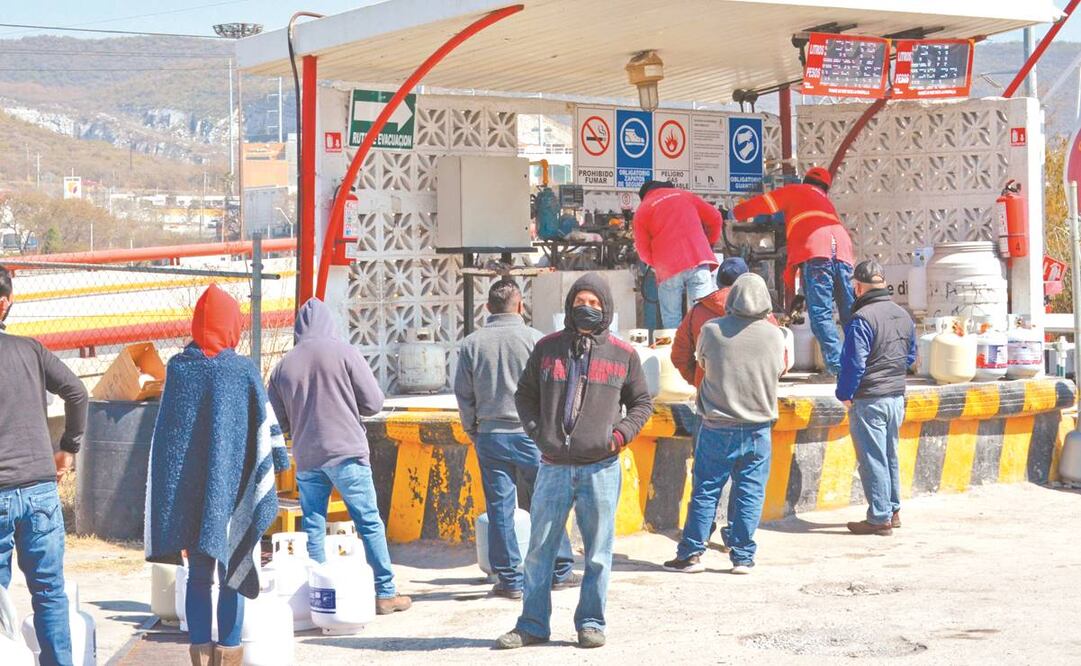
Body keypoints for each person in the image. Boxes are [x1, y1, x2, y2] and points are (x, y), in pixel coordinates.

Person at [496, 273, 653, 651]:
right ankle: (532, 624)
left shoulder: (623, 354)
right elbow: (524, 396)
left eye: (595, 303)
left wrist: (617, 437)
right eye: (581, 301)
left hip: (601, 467)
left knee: (598, 553)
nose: (588, 308)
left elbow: (642, 404)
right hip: (552, 466)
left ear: (607, 309)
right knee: (539, 551)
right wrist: (540, 434)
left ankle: (591, 623)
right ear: (569, 306)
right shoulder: (547, 348)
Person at [145, 284, 289, 666]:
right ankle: (228, 653)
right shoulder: (241, 371)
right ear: (232, 325)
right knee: (233, 570)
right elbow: (264, 427)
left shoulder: (178, 369)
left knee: (198, 575)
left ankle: (199, 654)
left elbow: (166, 442)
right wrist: (279, 461)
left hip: (189, 495)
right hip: (233, 489)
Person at [267, 298, 411, 614]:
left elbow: (280, 422)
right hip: (347, 451)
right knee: (368, 522)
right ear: (330, 323)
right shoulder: (345, 353)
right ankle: (385, 592)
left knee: (314, 525)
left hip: (307, 457)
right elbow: (374, 402)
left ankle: (320, 596)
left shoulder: (282, 367)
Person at [454, 279, 577, 599]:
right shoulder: (536, 340)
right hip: (531, 435)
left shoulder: (471, 344)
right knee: (548, 501)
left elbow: (463, 396)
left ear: (487, 308)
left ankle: (510, 580)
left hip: (491, 436)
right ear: (520, 306)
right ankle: (560, 570)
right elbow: (555, 390)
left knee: (500, 507)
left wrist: (474, 432)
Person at [663, 273, 784, 575]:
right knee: (749, 491)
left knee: (706, 489)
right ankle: (742, 556)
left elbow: (701, 364)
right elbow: (780, 369)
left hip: (717, 424)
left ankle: (691, 553)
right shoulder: (774, 335)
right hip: (759, 427)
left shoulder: (712, 330)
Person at [0, 265, 88, 666]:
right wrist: (68, 447)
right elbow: (77, 391)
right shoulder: (31, 350)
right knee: (49, 592)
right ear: (6, 304)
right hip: (39, 488)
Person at [733, 167, 855, 376]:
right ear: (825, 188)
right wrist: (801, 292)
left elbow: (764, 203)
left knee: (821, 314)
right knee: (849, 311)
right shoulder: (826, 202)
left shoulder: (796, 191)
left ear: (804, 181)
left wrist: (733, 213)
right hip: (843, 248)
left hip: (815, 250)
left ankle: (838, 370)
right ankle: (859, 364)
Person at [835, 260, 916, 536]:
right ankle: (893, 511)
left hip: (870, 398)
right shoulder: (903, 315)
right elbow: (911, 356)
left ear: (858, 287)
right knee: (890, 454)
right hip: (896, 397)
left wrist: (844, 393)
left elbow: (854, 363)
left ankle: (879, 516)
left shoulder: (862, 318)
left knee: (873, 459)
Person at [671, 256, 781, 387]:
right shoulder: (765, 316)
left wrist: (700, 381)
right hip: (757, 401)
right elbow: (781, 361)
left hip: (710, 403)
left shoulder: (698, 313)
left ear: (718, 282)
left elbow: (679, 356)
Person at [633, 180, 724, 328]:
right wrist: (708, 244)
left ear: (645, 195)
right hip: (698, 260)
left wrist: (657, 263)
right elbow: (716, 218)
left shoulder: (643, 209)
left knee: (672, 320)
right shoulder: (685, 195)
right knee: (704, 318)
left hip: (668, 269)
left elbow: (642, 251)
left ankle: (676, 351)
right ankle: (705, 350)